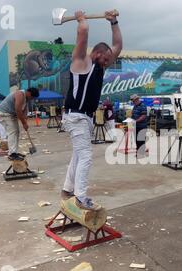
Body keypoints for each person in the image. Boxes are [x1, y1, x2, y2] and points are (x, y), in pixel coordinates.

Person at [61, 9, 122, 211]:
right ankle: (81, 197)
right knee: (86, 155)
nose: (107, 64)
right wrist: (81, 20)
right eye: (104, 59)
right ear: (96, 53)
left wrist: (113, 22)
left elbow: (118, 46)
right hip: (75, 116)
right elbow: (83, 34)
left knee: (78, 155)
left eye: (108, 60)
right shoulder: (80, 62)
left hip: (84, 118)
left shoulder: (100, 66)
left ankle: (68, 190)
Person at [0, 88, 40, 161]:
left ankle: (14, 152)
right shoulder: (20, 94)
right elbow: (18, 109)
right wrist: (24, 123)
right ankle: (12, 154)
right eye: (32, 97)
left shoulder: (26, 99)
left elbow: (24, 110)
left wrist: (25, 120)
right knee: (13, 132)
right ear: (29, 93)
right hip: (3, 113)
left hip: (9, 114)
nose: (31, 99)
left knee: (16, 132)